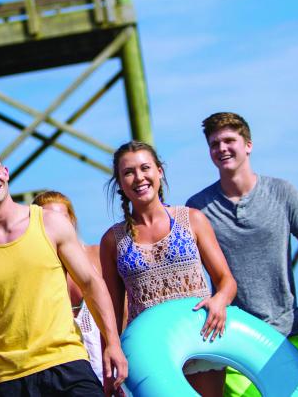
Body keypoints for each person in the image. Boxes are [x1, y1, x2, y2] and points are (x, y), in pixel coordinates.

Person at [0, 140, 128, 397]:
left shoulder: (51, 223)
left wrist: (113, 344)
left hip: (68, 364)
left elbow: (91, 283)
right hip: (11, 379)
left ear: (5, 172)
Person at [186, 112, 298, 396]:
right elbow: (187, 274)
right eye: (214, 144)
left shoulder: (283, 192)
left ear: (248, 145)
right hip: (235, 340)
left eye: (229, 140)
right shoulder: (198, 208)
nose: (221, 148)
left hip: (289, 333)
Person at [100, 141, 237, 397]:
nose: (139, 177)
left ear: (159, 171)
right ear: (120, 182)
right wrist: (111, 365)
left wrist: (220, 300)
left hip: (198, 339)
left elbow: (226, 280)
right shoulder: (112, 240)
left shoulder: (192, 219)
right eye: (128, 172)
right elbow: (111, 312)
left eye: (145, 168)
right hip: (148, 351)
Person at [32, 190, 104, 384]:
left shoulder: (98, 256)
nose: (54, 226)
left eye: (61, 218)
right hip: (64, 376)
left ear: (72, 220)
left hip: (108, 366)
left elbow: (121, 310)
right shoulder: (33, 273)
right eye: (47, 220)